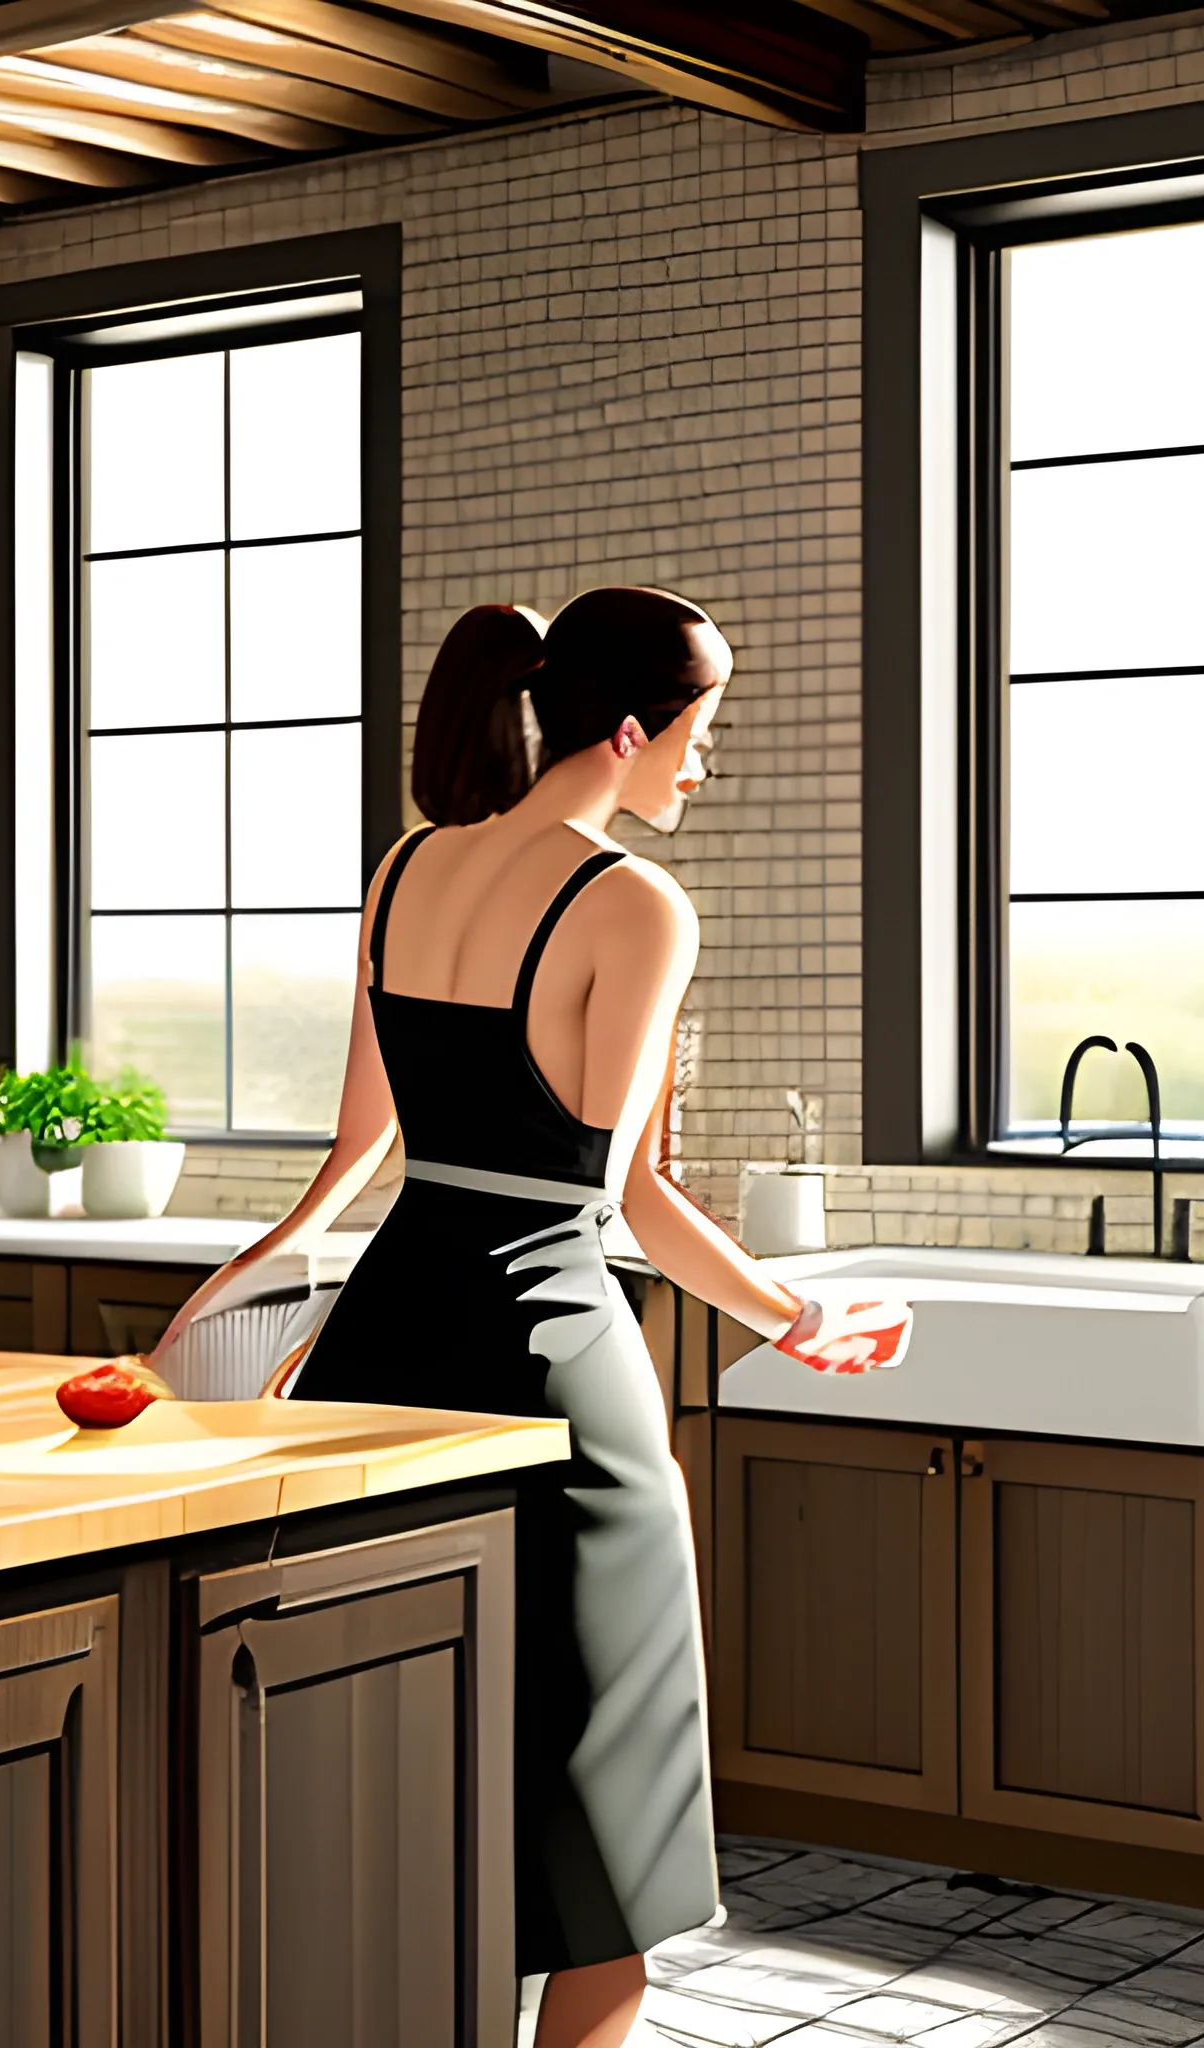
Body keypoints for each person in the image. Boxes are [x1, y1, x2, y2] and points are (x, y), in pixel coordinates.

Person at [157, 587, 912, 2048]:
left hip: (383, 1344)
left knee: (395, 1799)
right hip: (550, 1354)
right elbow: (624, 1195)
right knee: (601, 1856)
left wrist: (246, 1281)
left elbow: (360, 1150)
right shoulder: (633, 905)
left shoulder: (407, 869)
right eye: (701, 734)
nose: (704, 765)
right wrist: (792, 1315)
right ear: (630, 732)